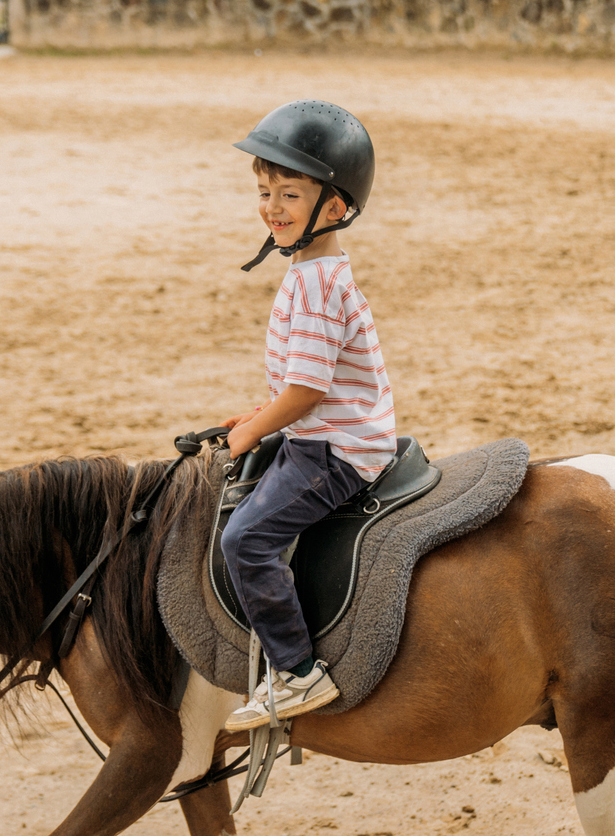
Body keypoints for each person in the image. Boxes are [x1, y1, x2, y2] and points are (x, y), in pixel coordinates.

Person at [220, 101, 396, 732]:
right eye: (265, 191)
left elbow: (308, 392)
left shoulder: (318, 283)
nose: (272, 207)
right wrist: (264, 414)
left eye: (289, 194)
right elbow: (297, 390)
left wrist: (253, 428)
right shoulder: (308, 269)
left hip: (336, 450)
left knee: (246, 539)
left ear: (334, 207)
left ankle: (296, 674)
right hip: (318, 433)